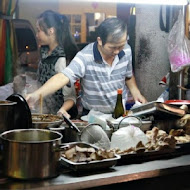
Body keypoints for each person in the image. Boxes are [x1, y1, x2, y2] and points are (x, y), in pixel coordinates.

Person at [26, 17, 147, 116]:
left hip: (119, 114)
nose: (117, 51)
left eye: (120, 46)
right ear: (100, 41)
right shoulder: (85, 57)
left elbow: (128, 76)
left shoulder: (126, 50)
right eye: (113, 47)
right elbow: (63, 77)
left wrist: (136, 92)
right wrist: (36, 94)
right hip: (92, 117)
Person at [35, 10, 78, 118]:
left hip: (59, 117)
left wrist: (61, 111)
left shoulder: (62, 59)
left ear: (51, 31)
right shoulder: (45, 52)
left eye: (38, 30)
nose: (36, 35)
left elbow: (71, 97)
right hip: (45, 113)